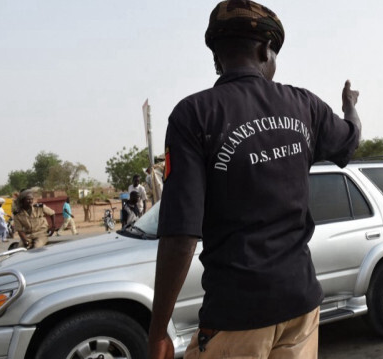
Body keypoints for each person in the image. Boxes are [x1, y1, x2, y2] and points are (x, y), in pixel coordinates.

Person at [148, 1, 361, 358]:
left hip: (236, 316)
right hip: (301, 306)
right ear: (265, 50)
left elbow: (180, 234)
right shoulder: (304, 105)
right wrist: (350, 106)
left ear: (217, 57)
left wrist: (157, 332)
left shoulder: (194, 115)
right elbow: (349, 141)